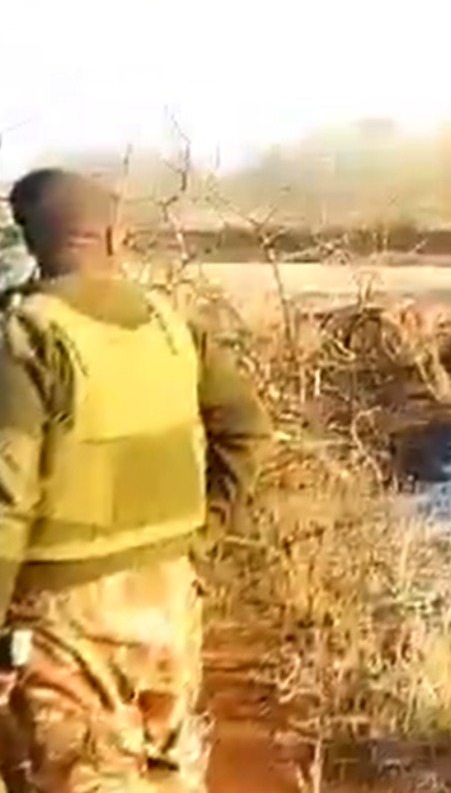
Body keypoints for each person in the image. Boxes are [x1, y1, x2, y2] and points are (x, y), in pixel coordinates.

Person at [0, 168, 274, 791]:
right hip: (169, 594)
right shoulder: (170, 322)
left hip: (64, 612)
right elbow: (247, 431)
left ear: (33, 242)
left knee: (83, 774)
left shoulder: (28, 333)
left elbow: (8, 496)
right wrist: (205, 534)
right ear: (116, 238)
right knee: (169, 769)